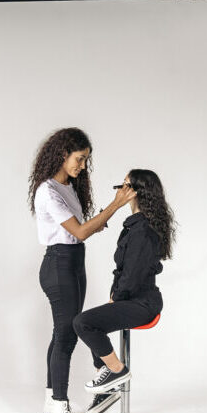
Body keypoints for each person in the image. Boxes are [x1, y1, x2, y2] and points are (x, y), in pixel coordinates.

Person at [28, 127, 136, 413]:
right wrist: (115, 205)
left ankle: (52, 402)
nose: (82, 166)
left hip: (74, 261)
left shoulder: (68, 188)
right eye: (79, 159)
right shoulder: (47, 191)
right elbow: (80, 231)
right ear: (62, 154)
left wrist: (98, 220)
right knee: (66, 337)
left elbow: (81, 229)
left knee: (61, 333)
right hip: (59, 264)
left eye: (86, 160)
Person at [73, 169, 176, 396]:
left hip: (142, 304)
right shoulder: (137, 225)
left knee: (84, 323)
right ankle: (107, 389)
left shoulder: (143, 230)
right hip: (134, 299)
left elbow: (132, 276)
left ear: (135, 191)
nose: (119, 189)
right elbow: (126, 273)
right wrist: (115, 297)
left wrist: (116, 298)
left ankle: (117, 371)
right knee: (93, 322)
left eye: (124, 184)